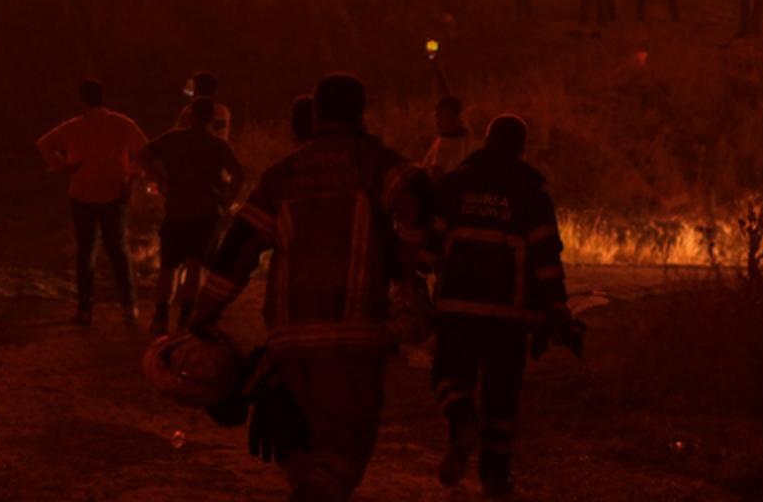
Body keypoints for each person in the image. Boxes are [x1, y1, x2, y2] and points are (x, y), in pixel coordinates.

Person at [192, 73, 431, 502]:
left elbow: (239, 248)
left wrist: (204, 313)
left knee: (301, 448)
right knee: (344, 452)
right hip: (351, 339)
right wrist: (411, 260)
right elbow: (417, 196)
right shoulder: (371, 162)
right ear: (360, 112)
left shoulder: (281, 176)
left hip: (288, 343)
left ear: (315, 114)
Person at [424, 114, 573, 497]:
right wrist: (556, 308)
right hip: (511, 316)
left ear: (486, 142)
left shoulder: (457, 184)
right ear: (521, 149)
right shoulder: (532, 194)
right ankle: (495, 478)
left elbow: (429, 245)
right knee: (502, 400)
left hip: (457, 309)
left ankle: (461, 422)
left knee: (448, 375)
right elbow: (546, 260)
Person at [37, 80, 148, 326]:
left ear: (82, 100)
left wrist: (63, 166)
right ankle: (129, 307)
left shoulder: (74, 127)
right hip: (115, 192)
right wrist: (132, 175)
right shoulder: (121, 123)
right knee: (118, 251)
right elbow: (145, 150)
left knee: (86, 252)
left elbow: (43, 144)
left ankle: (85, 308)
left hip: (82, 194)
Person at [137, 96, 245, 335]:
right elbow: (238, 172)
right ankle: (186, 315)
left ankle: (161, 316)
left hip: (176, 210)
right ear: (212, 119)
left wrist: (160, 179)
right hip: (206, 212)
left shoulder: (172, 138)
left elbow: (143, 154)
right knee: (196, 265)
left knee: (169, 265)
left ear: (190, 116)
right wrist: (227, 199)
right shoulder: (217, 145)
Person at [422, 95, 472, 183]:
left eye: (442, 115)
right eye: (437, 115)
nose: (437, 120)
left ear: (455, 118)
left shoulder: (445, 142)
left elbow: (436, 174)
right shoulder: (464, 136)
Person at [175, 71, 233, 142]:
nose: (190, 90)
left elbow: (177, 135)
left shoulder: (188, 110)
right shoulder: (222, 110)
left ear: (198, 88)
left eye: (193, 86)